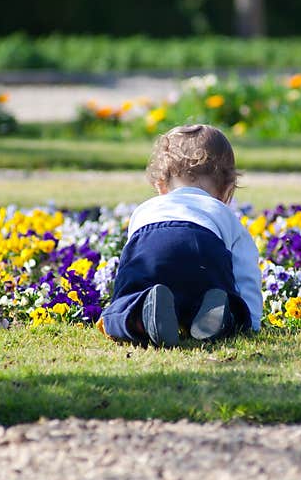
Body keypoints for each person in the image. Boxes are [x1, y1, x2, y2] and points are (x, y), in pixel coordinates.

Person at [99, 124, 262, 347]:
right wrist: (249, 320)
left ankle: (141, 315)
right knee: (219, 300)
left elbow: (129, 263)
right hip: (204, 252)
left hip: (151, 251)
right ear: (227, 187)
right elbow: (246, 271)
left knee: (124, 306)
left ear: (161, 184)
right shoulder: (224, 214)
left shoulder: (145, 210)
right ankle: (218, 318)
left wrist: (124, 298)